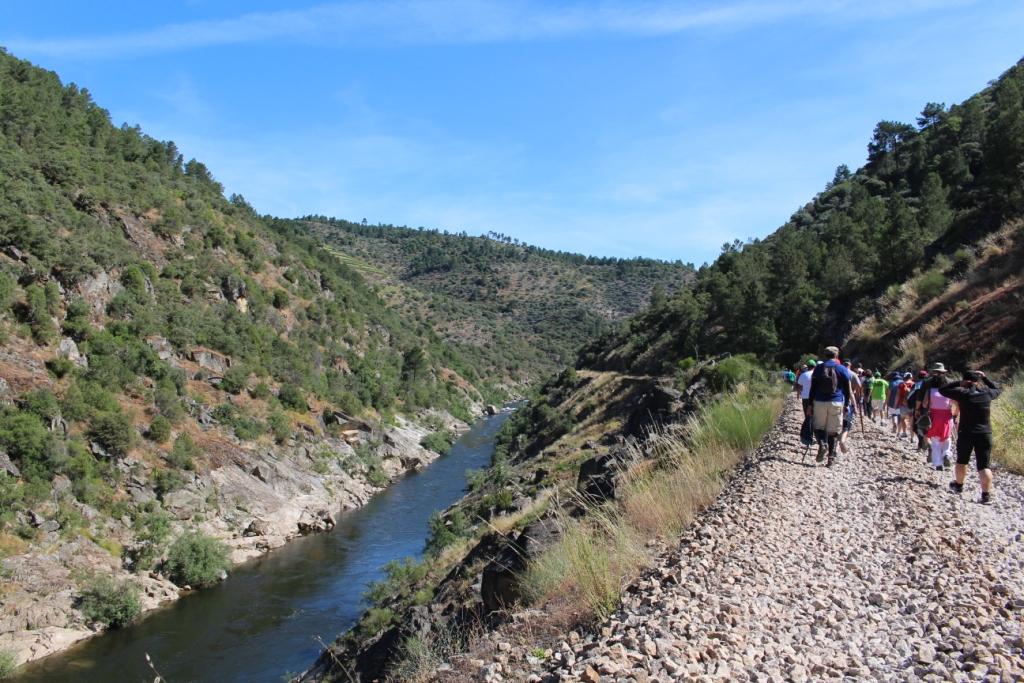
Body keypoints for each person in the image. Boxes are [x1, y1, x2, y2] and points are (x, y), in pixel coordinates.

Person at [940, 370, 1001, 504]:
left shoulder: (963, 393)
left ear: (965, 382)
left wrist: (958, 383)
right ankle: (986, 495)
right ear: (978, 381)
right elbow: (997, 389)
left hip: (966, 433)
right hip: (985, 434)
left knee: (962, 461)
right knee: (984, 466)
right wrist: (985, 378)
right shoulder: (987, 394)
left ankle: (959, 485)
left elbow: (942, 390)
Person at [809, 346, 854, 467]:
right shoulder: (841, 368)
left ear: (825, 355)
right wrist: (846, 404)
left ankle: (822, 444)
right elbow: (847, 389)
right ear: (837, 355)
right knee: (833, 432)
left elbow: (813, 388)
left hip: (819, 401)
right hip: (836, 402)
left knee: (818, 427)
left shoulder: (818, 368)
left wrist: (809, 404)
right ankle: (831, 459)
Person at [920, 362, 955, 470]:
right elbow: (954, 402)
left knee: (935, 440)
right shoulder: (949, 387)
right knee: (947, 437)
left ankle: (938, 463)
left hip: (934, 415)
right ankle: (946, 454)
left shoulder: (930, 388)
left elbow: (924, 403)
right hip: (947, 416)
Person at [894, 372, 914, 439]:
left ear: (904, 377)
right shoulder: (914, 384)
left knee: (902, 419)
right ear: (911, 377)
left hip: (903, 404)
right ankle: (912, 437)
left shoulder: (902, 384)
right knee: (911, 421)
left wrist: (895, 404)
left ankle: (904, 432)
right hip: (911, 405)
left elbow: (897, 395)